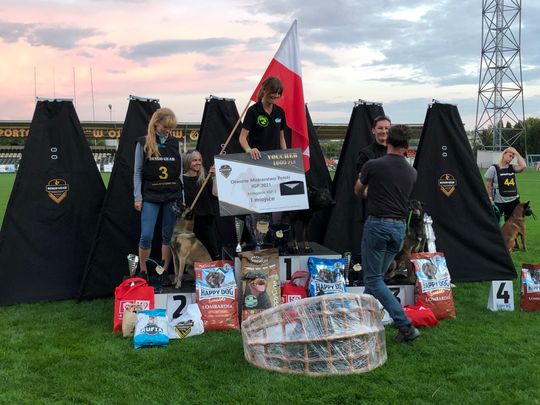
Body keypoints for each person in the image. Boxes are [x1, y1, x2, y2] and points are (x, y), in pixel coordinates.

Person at [354, 124, 420, 343]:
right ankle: (357, 321)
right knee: (375, 279)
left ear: (387, 141)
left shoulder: (373, 165)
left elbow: (358, 190)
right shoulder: (412, 172)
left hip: (377, 227)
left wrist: (369, 192)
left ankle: (406, 326)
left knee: (373, 280)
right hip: (398, 231)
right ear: (407, 146)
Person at [133, 107, 182, 278]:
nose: (168, 130)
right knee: (146, 235)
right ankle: (143, 271)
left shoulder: (175, 143)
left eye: (171, 128)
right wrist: (137, 197)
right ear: (156, 123)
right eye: (165, 127)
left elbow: (179, 171)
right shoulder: (143, 143)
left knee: (168, 236)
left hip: (172, 194)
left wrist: (181, 196)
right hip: (151, 195)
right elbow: (137, 171)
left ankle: (163, 271)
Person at [182, 149, 220, 260]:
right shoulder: (182, 180)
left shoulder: (205, 178)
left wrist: (214, 177)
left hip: (205, 220)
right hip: (189, 222)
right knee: (191, 254)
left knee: (212, 251)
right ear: (187, 161)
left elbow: (215, 194)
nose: (198, 163)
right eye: (194, 160)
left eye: (199, 160)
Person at [239, 76, 288, 159]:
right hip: (257, 160)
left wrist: (286, 156)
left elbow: (281, 138)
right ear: (264, 90)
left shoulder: (280, 112)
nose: (276, 95)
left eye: (278, 93)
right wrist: (249, 150)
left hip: (275, 160)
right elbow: (242, 137)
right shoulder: (253, 110)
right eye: (273, 92)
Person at [485, 146, 527, 223]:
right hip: (499, 202)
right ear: (504, 154)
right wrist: (490, 199)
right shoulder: (493, 168)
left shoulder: (512, 168)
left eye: (512, 157)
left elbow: (523, 166)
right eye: (510, 155)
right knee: (494, 224)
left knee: (511, 225)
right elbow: (488, 185)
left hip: (513, 201)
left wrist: (516, 152)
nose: (511, 158)